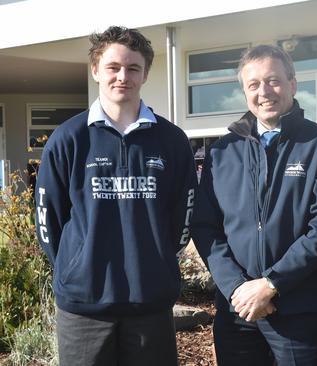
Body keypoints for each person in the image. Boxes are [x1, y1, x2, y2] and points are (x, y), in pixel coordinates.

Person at [35, 26, 197, 366]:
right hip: (84, 310)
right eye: (113, 67)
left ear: (145, 74)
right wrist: (77, 268)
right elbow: (48, 219)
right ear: (96, 71)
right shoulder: (68, 139)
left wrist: (156, 263)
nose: (123, 76)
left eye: (133, 68)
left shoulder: (172, 141)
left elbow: (183, 216)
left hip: (150, 305)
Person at [192, 44, 317, 366]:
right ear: (244, 91)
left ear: (292, 83)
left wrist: (271, 284)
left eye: (273, 80)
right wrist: (238, 289)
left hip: (301, 312)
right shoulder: (222, 152)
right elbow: (205, 226)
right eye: (253, 84)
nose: (264, 92)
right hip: (237, 312)